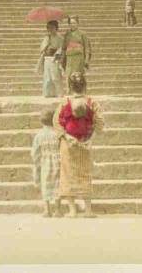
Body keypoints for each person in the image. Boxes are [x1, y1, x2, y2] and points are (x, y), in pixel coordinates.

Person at [53, 72, 104, 217]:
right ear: (85, 85)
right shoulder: (92, 102)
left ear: (70, 87)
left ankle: (72, 210)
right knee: (85, 174)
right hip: (85, 143)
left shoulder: (65, 102)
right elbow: (99, 122)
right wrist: (90, 139)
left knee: (68, 174)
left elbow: (56, 122)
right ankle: (88, 210)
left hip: (68, 144)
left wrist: (66, 136)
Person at [30, 107, 62, 217]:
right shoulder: (58, 133)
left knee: (45, 185)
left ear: (41, 120)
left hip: (45, 162)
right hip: (58, 162)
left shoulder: (39, 135)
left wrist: (36, 162)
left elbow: (35, 151)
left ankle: (47, 210)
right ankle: (58, 210)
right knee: (58, 185)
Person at [35, 20, 65, 98]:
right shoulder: (47, 38)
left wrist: (57, 55)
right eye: (49, 28)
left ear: (56, 28)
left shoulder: (60, 38)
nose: (50, 29)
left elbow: (62, 49)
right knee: (47, 77)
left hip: (55, 58)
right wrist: (47, 44)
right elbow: (42, 50)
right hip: (47, 58)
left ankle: (59, 93)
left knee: (56, 77)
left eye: (52, 28)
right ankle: (47, 93)